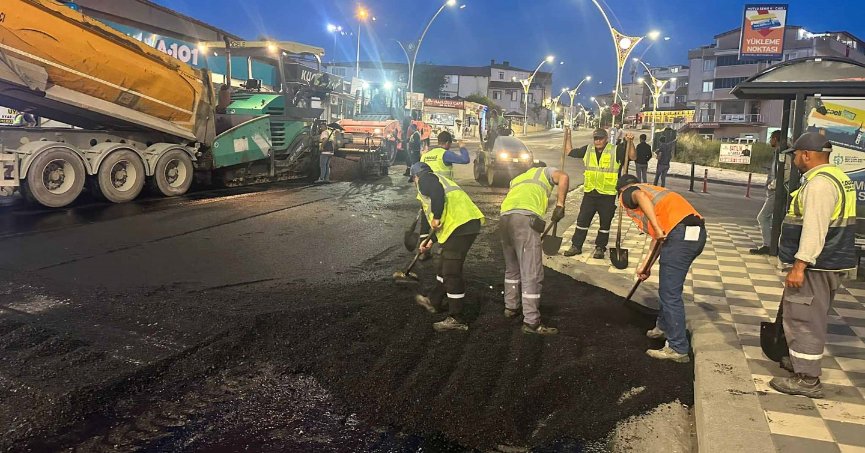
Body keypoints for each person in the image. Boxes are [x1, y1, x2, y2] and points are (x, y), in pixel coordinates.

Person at [769, 132, 856, 399]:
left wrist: (799, 266)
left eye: (795, 154)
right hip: (829, 262)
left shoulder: (819, 185)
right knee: (809, 315)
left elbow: (814, 229)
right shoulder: (839, 177)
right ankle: (799, 363)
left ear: (806, 155)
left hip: (816, 266)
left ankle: (807, 379)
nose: (794, 158)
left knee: (804, 319)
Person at [616, 174, 707, 363]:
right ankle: (664, 327)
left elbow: (640, 199)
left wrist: (656, 227)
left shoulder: (629, 193)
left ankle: (677, 348)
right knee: (669, 288)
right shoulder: (656, 193)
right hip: (694, 234)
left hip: (679, 236)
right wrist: (646, 266)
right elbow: (660, 239)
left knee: (669, 293)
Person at [411, 162, 486, 332]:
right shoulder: (440, 180)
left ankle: (457, 318)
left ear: (416, 176)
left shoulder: (426, 180)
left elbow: (437, 196)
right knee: (443, 266)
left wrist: (436, 217)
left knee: (451, 271)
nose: (415, 183)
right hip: (461, 226)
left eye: (413, 179)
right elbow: (443, 216)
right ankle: (434, 301)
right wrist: (430, 241)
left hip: (460, 227)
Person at [500, 165, 570, 335]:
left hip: (504, 218)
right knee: (531, 271)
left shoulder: (517, 179)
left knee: (512, 268)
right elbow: (564, 177)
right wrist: (560, 205)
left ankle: (511, 307)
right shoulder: (544, 171)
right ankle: (531, 322)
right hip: (525, 219)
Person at [562, 127, 635, 259]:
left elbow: (632, 156)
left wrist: (631, 142)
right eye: (596, 138)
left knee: (605, 224)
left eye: (601, 138)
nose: (598, 141)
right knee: (582, 221)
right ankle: (576, 246)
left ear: (606, 139)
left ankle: (600, 247)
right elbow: (568, 151)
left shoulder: (615, 150)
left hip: (607, 195)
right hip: (590, 193)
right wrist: (568, 136)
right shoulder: (587, 150)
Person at [750, 130, 783, 255]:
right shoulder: (778, 153)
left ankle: (768, 245)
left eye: (771, 138)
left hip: (776, 191)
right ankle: (772, 244)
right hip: (774, 190)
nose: (770, 141)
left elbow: (782, 173)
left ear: (775, 139)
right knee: (773, 218)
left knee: (763, 217)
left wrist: (773, 184)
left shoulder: (781, 153)